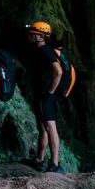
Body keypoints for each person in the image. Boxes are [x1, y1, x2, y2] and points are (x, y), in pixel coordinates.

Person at [24, 21, 65, 174]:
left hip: (45, 96)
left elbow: (58, 72)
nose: (30, 35)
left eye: (33, 33)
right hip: (41, 95)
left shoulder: (46, 51)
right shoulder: (41, 50)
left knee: (50, 127)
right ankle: (39, 160)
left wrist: (50, 92)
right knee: (43, 128)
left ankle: (55, 164)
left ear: (40, 36)